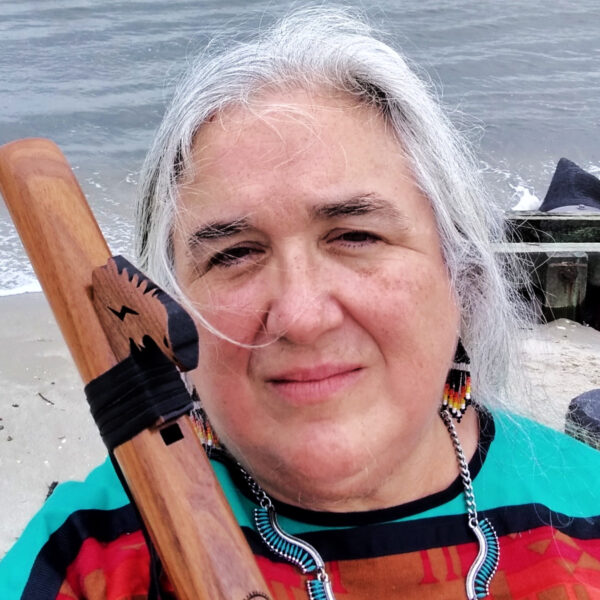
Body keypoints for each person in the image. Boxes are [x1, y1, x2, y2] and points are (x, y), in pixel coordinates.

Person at [1, 7, 599, 600]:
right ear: (168, 310)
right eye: (234, 254)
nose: (301, 316)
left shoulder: (586, 515)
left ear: (461, 279)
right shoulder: (86, 556)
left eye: (355, 236)